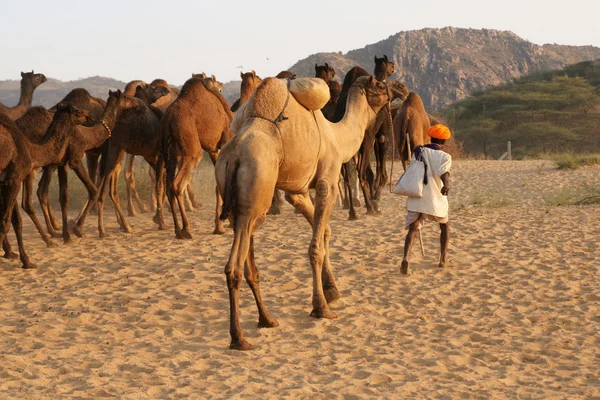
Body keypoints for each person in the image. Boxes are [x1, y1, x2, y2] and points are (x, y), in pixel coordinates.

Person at [401, 124, 452, 275]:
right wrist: (446, 185)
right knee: (444, 226)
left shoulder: (418, 151)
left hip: (418, 195)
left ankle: (405, 258)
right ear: (444, 141)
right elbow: (444, 173)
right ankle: (442, 260)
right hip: (435, 197)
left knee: (413, 228)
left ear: (431, 137)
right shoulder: (445, 156)